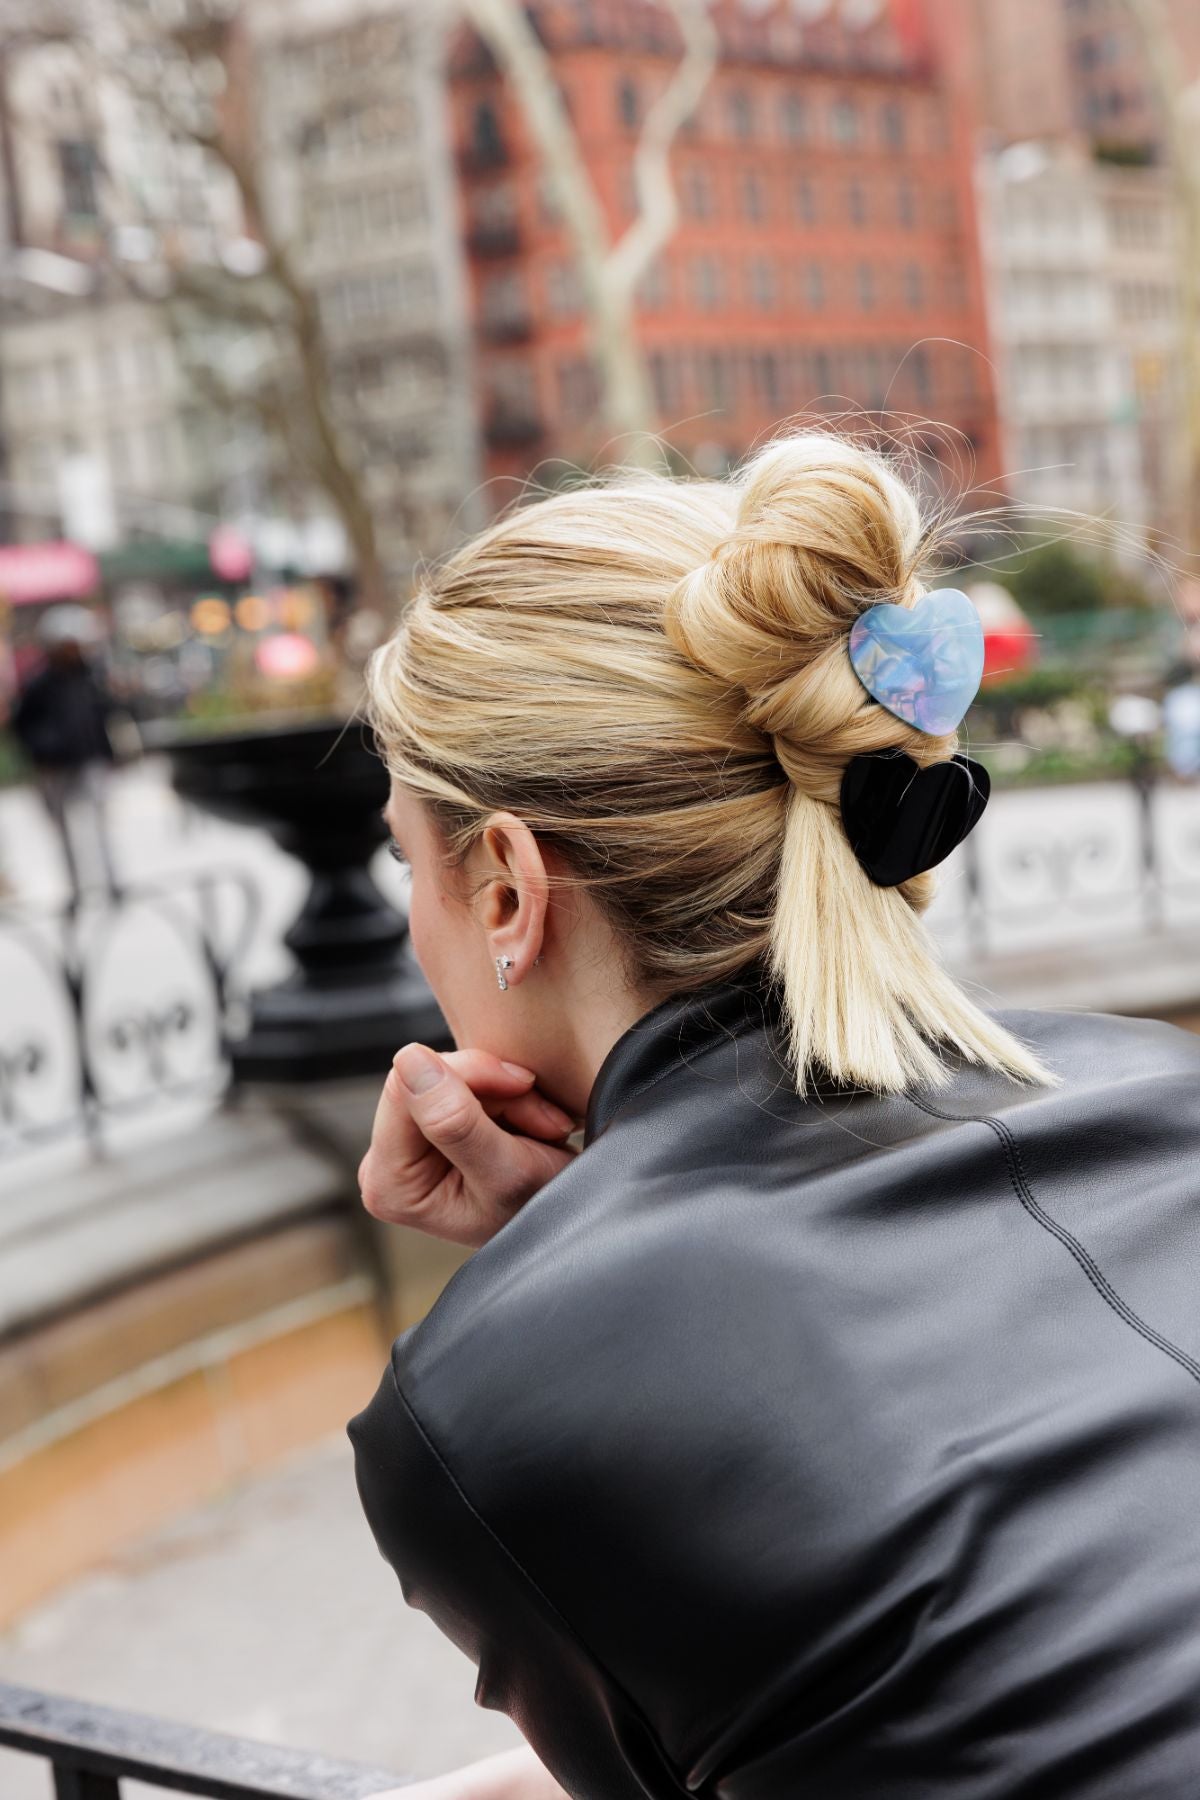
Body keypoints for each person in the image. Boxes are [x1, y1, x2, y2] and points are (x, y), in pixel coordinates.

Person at [346, 432, 1200, 1800]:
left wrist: (560, 1286)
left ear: (506, 886)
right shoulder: (1164, 1090)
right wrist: (590, 1231)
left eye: (408, 858)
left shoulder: (478, 1414)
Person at [11, 606, 120, 900]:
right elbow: (23, 725)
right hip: (56, 767)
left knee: (100, 825)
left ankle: (112, 882)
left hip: (90, 761)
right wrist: (46, 752)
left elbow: (103, 715)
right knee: (66, 832)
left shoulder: (89, 677)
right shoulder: (39, 684)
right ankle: (77, 890)